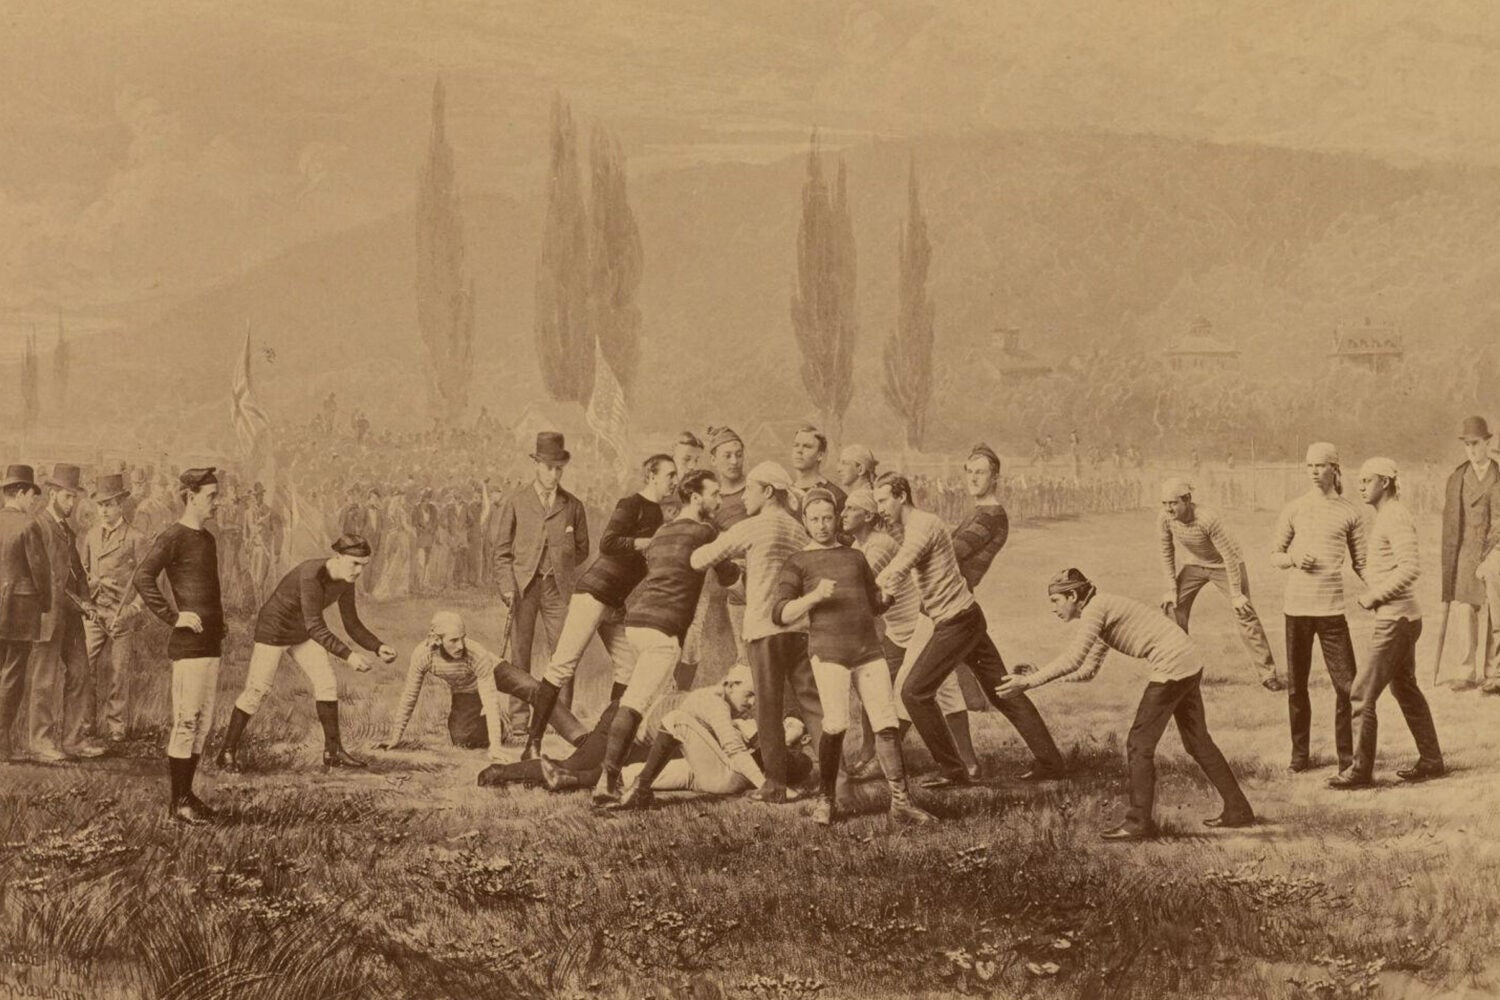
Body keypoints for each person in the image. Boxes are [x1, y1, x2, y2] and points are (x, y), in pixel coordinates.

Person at [996, 569, 1254, 841]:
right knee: (1197, 741)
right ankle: (1238, 809)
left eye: (1055, 600)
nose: (1053, 608)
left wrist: (1029, 682)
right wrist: (1039, 678)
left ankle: (1138, 823)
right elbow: (1087, 670)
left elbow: (1073, 659)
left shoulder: (1096, 609)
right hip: (1188, 661)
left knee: (1138, 745)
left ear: (1072, 595)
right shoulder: (1100, 610)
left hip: (1173, 667)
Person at [872, 472, 1066, 788]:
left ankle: (953, 770)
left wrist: (872, 588)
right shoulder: (914, 525)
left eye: (883, 501)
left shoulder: (923, 525)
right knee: (1003, 691)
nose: (880, 508)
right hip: (966, 616)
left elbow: (900, 566)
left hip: (957, 622)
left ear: (901, 496)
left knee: (913, 693)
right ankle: (1051, 763)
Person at [768, 488, 935, 826]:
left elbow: (874, 604)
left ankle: (901, 803)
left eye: (827, 518)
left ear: (836, 518)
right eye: (814, 519)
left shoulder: (855, 556)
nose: (822, 525)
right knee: (836, 724)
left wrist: (888, 595)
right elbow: (780, 614)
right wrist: (814, 597)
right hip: (828, 653)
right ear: (805, 521)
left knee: (886, 723)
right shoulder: (797, 561)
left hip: (867, 650)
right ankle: (826, 800)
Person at [591, 469, 739, 806]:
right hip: (662, 631)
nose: (719, 500)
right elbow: (729, 575)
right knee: (637, 704)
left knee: (660, 702)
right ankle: (607, 782)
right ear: (696, 498)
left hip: (637, 624)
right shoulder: (705, 531)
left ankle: (634, 779)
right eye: (714, 494)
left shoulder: (662, 532)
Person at [525, 454, 676, 760]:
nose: (675, 481)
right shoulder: (630, 504)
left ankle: (606, 742)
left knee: (629, 669)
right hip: (593, 594)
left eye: (676, 475)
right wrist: (647, 543)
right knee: (562, 666)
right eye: (669, 474)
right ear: (651, 476)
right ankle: (532, 744)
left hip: (615, 602)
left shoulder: (658, 514)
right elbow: (608, 543)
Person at [691, 461, 821, 804]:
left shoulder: (753, 527)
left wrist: (702, 532)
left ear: (767, 491)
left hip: (764, 630)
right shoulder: (799, 530)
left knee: (767, 708)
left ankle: (775, 785)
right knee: (812, 706)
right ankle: (838, 781)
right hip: (799, 630)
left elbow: (700, 559)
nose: (743, 496)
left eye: (749, 489)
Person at [215, 535, 397, 771]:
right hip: (274, 630)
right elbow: (315, 626)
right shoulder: (312, 575)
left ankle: (333, 752)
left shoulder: (346, 579)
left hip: (301, 631)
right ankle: (226, 752)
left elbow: (351, 623)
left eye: (364, 565)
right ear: (338, 557)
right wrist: (349, 656)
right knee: (257, 690)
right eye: (355, 563)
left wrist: (377, 646)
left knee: (326, 683)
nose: (359, 571)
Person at [842, 489, 977, 782]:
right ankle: (873, 755)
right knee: (875, 684)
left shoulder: (879, 545)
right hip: (898, 630)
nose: (843, 514)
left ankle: (965, 762)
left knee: (937, 689)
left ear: (868, 516)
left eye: (850, 508)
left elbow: (861, 591)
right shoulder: (858, 544)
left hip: (919, 625)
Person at [1330, 459, 1445, 788]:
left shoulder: (1394, 516)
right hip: (1403, 618)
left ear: (1385, 482)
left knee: (1361, 694)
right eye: (1360, 480)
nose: (1361, 486)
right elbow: (1387, 568)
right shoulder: (1387, 515)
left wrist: (1374, 596)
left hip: (1396, 620)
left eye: (1367, 480)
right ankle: (1432, 760)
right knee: (1405, 688)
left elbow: (1410, 568)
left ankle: (1359, 771)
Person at [133, 468, 227, 824]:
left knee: (203, 723)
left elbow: (208, 589)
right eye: (211, 496)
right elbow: (142, 577)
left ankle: (187, 796)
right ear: (190, 497)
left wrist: (219, 622)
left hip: (211, 641)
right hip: (189, 645)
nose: (217, 502)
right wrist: (174, 617)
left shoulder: (208, 539)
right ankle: (178, 805)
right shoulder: (173, 536)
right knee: (186, 721)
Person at [1272, 442, 1366, 774]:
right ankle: (1300, 756)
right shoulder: (1295, 508)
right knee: (1297, 686)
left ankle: (1347, 760)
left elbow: (1362, 562)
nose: (1314, 472)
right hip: (1297, 609)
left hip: (1331, 612)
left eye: (1320, 465)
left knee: (1348, 686)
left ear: (1335, 469)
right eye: (1309, 466)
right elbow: (1275, 555)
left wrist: (1382, 590)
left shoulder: (1350, 511)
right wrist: (1294, 558)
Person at [377, 610, 587, 758]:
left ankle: (580, 737)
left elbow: (490, 699)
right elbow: (409, 696)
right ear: (436, 639)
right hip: (465, 689)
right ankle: (503, 726)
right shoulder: (423, 655)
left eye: (463, 638)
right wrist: (395, 737)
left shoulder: (475, 653)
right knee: (462, 739)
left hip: (494, 671)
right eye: (453, 640)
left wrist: (495, 748)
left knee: (534, 689)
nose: (460, 645)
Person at [491, 431, 589, 734]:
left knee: (564, 654)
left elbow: (582, 549)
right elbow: (501, 551)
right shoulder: (516, 501)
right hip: (523, 588)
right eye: (548, 468)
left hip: (558, 590)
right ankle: (519, 721)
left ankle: (561, 721)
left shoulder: (573, 505)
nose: (554, 474)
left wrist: (560, 566)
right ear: (536, 465)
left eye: (559, 469)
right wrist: (507, 586)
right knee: (520, 654)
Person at [1156, 477, 1283, 691]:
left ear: (1187, 500)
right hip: (1195, 563)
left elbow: (1229, 556)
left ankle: (1267, 674)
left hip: (1225, 564)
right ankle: (1180, 670)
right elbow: (1166, 551)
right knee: (1172, 607)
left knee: (1244, 612)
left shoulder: (1207, 518)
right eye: (1165, 503)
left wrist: (1236, 594)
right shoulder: (1165, 518)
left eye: (1173, 503)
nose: (1168, 508)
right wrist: (1171, 589)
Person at [27, 464, 100, 761]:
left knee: (81, 674)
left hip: (71, 616)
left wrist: (88, 602)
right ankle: (40, 743)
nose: (72, 503)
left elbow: (77, 573)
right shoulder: (39, 526)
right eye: (68, 497)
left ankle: (73, 741)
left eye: (75, 497)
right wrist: (80, 604)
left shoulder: (67, 530)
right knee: (45, 681)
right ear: (53, 493)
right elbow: (50, 580)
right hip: (48, 615)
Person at [81, 473, 150, 743]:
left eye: (109, 504)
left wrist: (133, 609)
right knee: (85, 667)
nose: (104, 511)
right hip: (95, 614)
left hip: (122, 616)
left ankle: (116, 726)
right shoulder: (91, 536)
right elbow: (83, 574)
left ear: (121, 504)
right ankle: (86, 723)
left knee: (119, 672)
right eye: (100, 505)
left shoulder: (135, 538)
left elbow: (148, 583)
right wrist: (94, 587)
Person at [1439, 416, 1500, 690]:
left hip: (1495, 549)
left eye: (1476, 443)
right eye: (1467, 444)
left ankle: (1495, 673)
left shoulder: (1499, 476)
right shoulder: (1458, 478)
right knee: (1465, 609)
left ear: (1488, 442)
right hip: (1466, 551)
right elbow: (1451, 524)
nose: (1472, 450)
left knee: (1497, 610)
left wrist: (1491, 554)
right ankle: (1466, 672)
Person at [0, 466, 50, 763]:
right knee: (13, 675)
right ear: (20, 492)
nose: (33, 501)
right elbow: (40, 572)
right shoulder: (28, 525)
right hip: (19, 610)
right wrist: (45, 603)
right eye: (32, 494)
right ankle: (1, 742)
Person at [708, 425, 751, 664]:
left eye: (738, 454)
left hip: (765, 576)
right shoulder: (710, 500)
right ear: (713, 459)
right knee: (743, 656)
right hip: (732, 585)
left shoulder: (756, 489)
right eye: (727, 455)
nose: (734, 461)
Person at [788, 425, 847, 516]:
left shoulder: (836, 496)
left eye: (807, 446)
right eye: (796, 445)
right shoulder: (785, 493)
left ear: (820, 456)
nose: (799, 450)